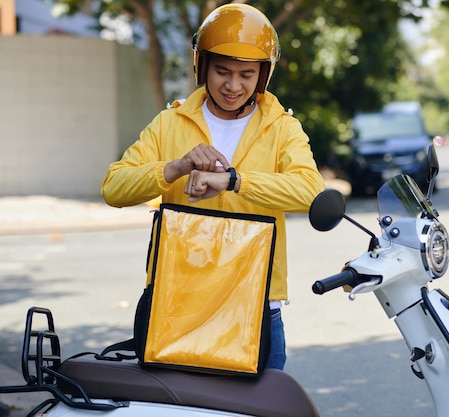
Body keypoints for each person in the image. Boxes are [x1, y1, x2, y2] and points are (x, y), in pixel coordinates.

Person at [101, 3, 325, 370]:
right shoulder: (169, 123)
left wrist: (233, 181)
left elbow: (310, 190)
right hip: (178, 303)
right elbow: (114, 188)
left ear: (262, 76)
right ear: (201, 66)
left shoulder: (283, 128)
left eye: (246, 74)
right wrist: (174, 167)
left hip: (254, 306)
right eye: (222, 71)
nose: (233, 85)